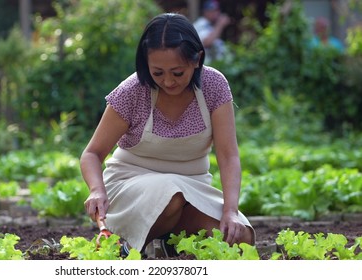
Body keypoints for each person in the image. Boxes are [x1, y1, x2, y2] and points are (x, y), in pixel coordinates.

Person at [80, 13, 255, 256]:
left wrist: (230, 211)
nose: (169, 81)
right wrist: (97, 190)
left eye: (177, 72)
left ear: (197, 60)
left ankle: (163, 242)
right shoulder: (132, 91)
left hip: (191, 191)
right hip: (131, 187)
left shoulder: (214, 86)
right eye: (158, 73)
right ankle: (128, 246)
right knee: (170, 193)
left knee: (240, 237)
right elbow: (92, 153)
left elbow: (228, 156)